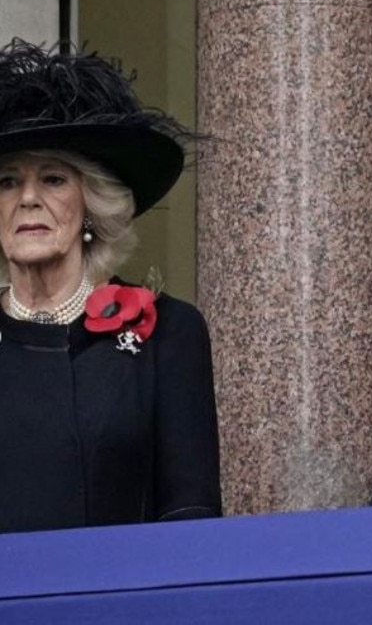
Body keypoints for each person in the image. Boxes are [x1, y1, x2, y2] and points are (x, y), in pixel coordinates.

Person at [0, 39, 221, 532]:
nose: (28, 198)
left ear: (90, 206)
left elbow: (191, 515)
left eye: (53, 179)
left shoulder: (168, 334)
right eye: (8, 182)